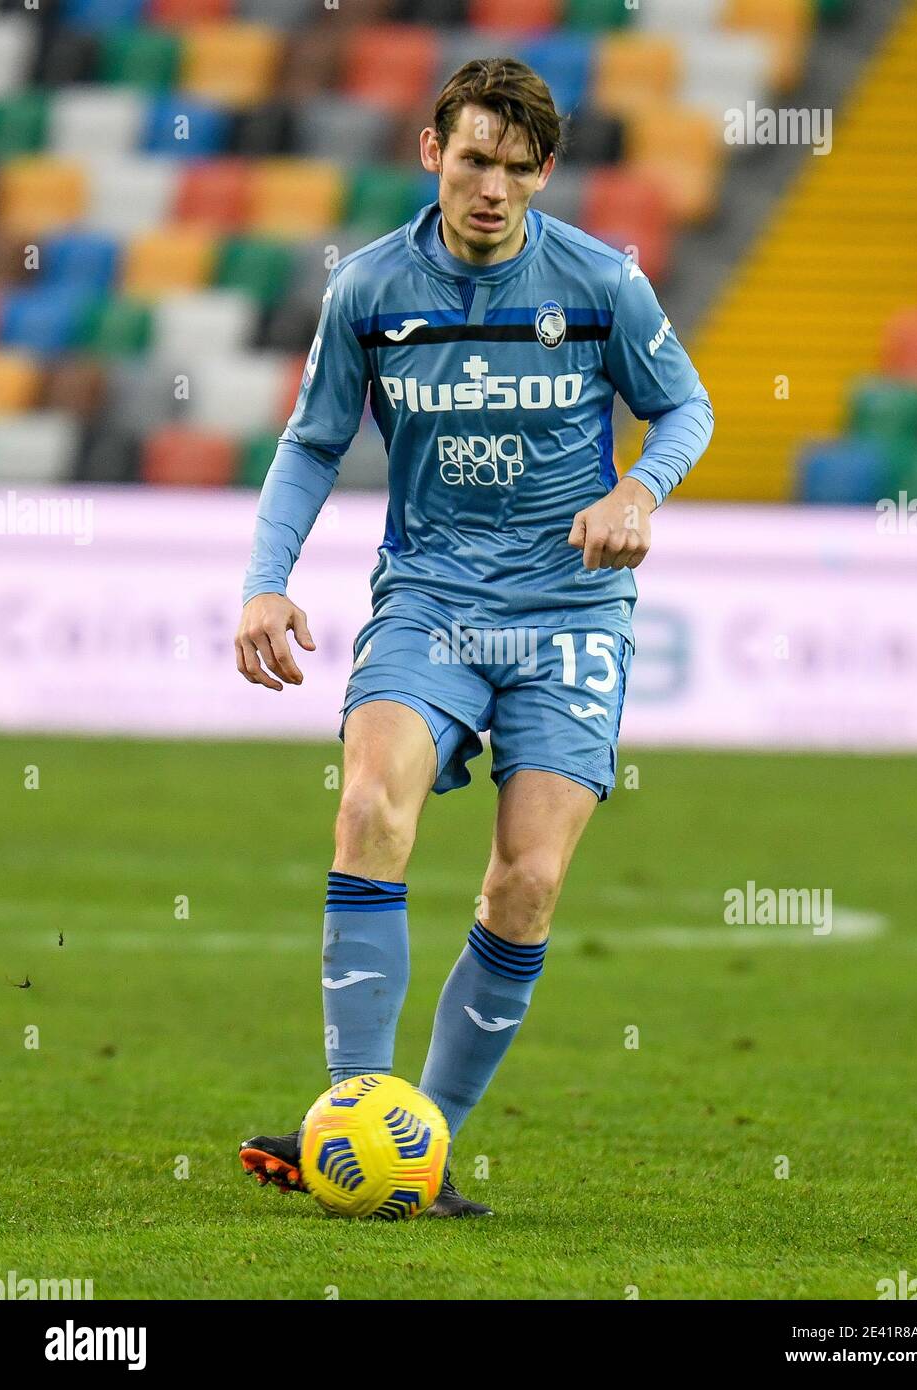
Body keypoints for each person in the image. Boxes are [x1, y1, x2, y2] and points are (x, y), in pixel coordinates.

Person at [235, 57, 714, 1217]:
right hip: (431, 600)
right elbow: (310, 444)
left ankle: (424, 1149)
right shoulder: (371, 289)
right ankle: (354, 1118)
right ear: (430, 154)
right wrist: (266, 580)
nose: (490, 187)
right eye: (471, 160)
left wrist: (639, 489)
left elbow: (685, 405)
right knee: (366, 807)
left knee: (527, 883)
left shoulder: (604, 283)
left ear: (545, 171)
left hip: (567, 611)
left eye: (513, 167)